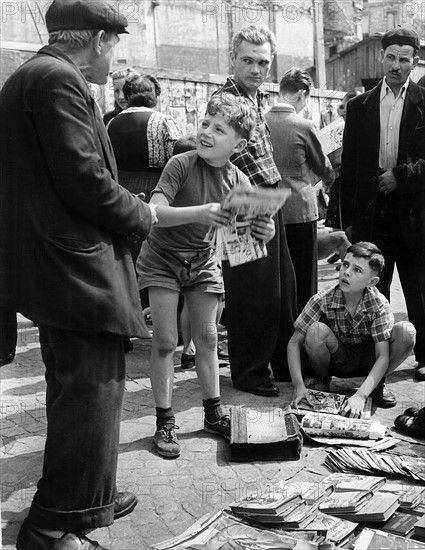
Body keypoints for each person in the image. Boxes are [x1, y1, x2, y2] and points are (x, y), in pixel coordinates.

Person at [0, 1, 155, 548]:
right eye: (115, 43)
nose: (116, 58)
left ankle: (92, 494)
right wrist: (142, 214)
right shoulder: (56, 81)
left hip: (57, 265)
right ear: (96, 39)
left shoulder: (36, 76)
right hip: (77, 268)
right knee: (93, 391)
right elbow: (85, 179)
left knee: (75, 389)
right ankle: (56, 522)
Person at [136, 93, 275, 458]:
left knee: (208, 336)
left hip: (203, 261)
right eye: (204, 124)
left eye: (219, 128)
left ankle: (213, 413)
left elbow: (247, 235)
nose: (207, 132)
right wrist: (202, 213)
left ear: (239, 144)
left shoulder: (239, 178)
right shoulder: (180, 164)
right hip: (163, 257)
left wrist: (259, 229)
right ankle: (165, 419)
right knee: (165, 341)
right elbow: (155, 213)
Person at [215, 24, 297, 397]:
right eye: (247, 60)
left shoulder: (254, 97)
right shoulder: (225, 100)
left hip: (266, 198)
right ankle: (249, 373)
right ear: (232, 59)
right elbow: (217, 157)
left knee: (278, 289)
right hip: (246, 201)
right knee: (252, 293)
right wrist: (252, 202)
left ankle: (276, 363)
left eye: (263, 62)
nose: (256, 68)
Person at [339, 27, 425, 382]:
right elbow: (351, 168)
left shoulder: (424, 102)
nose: (396, 65)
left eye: (404, 59)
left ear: (414, 62)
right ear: (381, 57)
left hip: (414, 213)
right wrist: (346, 222)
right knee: (375, 290)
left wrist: (400, 176)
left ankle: (424, 357)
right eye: (390, 57)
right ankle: (377, 362)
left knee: (419, 286)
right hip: (373, 214)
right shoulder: (360, 106)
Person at [288, 242, 416, 417]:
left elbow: (383, 356)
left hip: (369, 361)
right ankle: (322, 380)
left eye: (357, 270)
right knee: (315, 330)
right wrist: (299, 386)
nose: (346, 272)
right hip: (337, 360)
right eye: (346, 265)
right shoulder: (322, 298)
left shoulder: (379, 305)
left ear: (372, 282)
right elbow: (294, 343)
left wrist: (361, 395)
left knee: (406, 331)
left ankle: (376, 384)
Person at [266, 67, 334, 312]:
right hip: (299, 209)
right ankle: (303, 328)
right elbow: (322, 165)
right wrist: (330, 178)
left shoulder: (259, 121)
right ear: (303, 94)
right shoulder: (303, 125)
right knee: (304, 276)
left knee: (275, 276)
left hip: (267, 209)